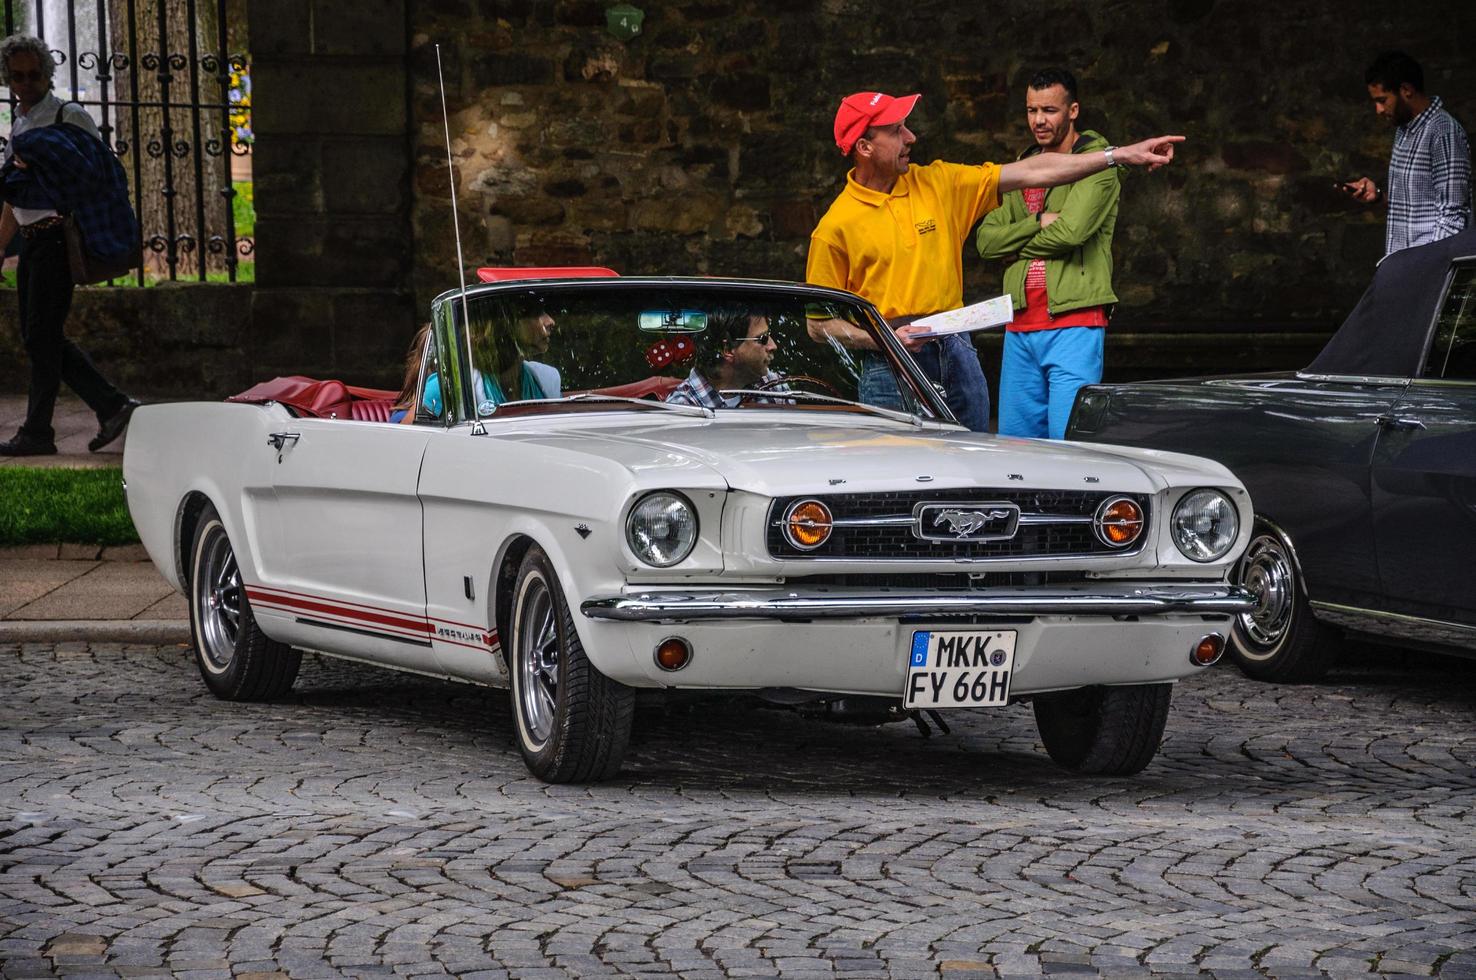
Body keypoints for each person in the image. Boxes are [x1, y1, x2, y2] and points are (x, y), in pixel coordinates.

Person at [806, 90, 1181, 432]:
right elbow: (818, 326)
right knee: (897, 477)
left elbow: (1036, 170)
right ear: (865, 147)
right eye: (896, 130)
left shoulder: (938, 181)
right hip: (890, 359)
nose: (911, 137)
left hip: (956, 348)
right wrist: (880, 338)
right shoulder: (834, 228)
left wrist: (1119, 155)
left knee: (976, 468)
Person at [0, 34, 138, 456]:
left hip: (60, 239)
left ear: (48, 73)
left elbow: (93, 177)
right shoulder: (21, 124)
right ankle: (110, 405)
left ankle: (44, 430)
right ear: (7, 78)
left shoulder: (68, 115)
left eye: (34, 74)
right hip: (33, 242)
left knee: (41, 335)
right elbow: (13, 200)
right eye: (17, 76)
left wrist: (38, 175)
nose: (26, 83)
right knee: (38, 335)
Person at [976, 69, 1118, 439]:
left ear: (1073, 110)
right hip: (1020, 323)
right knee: (1016, 448)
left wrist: (1015, 246)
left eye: (1049, 110)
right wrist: (1037, 221)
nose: (1038, 120)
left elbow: (1071, 233)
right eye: (1031, 110)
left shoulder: (1098, 166)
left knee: (1068, 446)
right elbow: (986, 243)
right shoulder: (1020, 170)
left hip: (1075, 321)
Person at [1342, 51, 1470, 258]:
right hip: (1401, 265)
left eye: (1383, 100)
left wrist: (1426, 271)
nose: (1378, 109)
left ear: (1406, 90)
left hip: (1424, 271)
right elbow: (1418, 204)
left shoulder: (1443, 132)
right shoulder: (1405, 130)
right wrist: (1378, 197)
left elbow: (1452, 216)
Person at [421, 304, 560, 417]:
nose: (550, 321)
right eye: (535, 313)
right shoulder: (452, 385)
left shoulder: (547, 379)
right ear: (504, 323)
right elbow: (409, 442)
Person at [666, 308, 780, 409]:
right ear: (728, 349)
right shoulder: (682, 407)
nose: (773, 346)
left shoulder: (773, 385)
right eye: (763, 338)